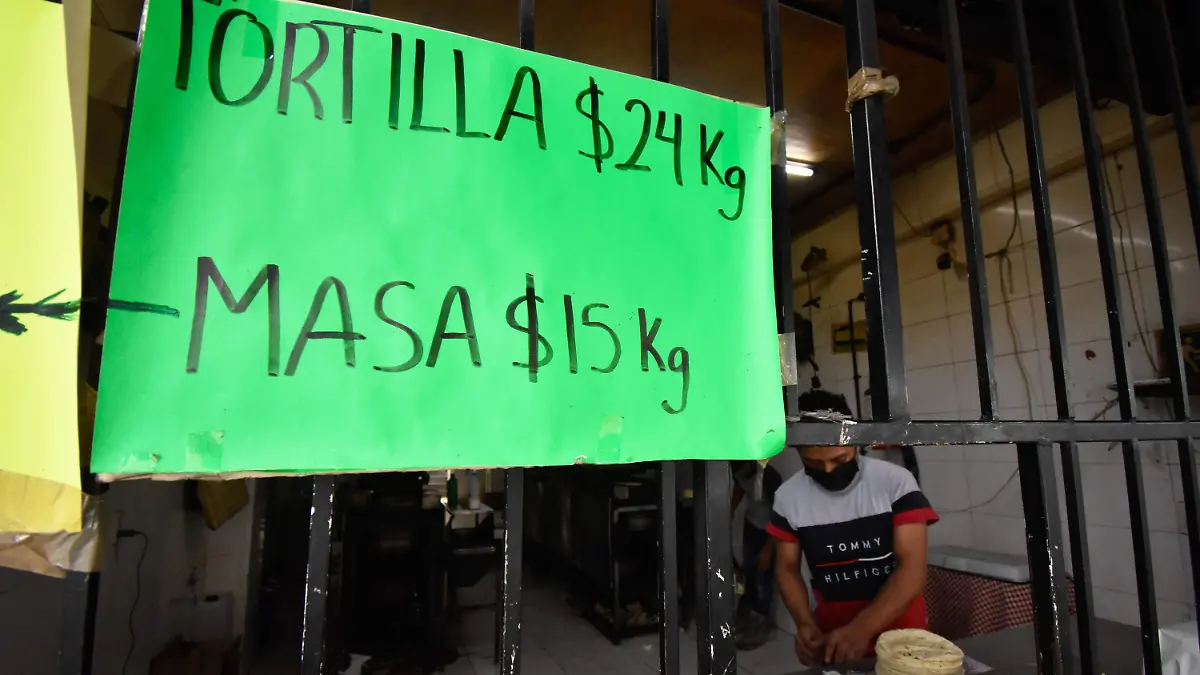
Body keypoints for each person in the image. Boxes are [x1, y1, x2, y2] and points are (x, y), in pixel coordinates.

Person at [769, 390, 937, 665]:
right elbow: (787, 568)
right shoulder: (788, 497)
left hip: (904, 636)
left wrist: (861, 629)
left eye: (839, 459)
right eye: (813, 463)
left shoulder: (895, 482)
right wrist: (804, 624)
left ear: (855, 440)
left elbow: (912, 571)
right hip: (833, 641)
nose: (828, 470)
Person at [731, 459, 783, 650]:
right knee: (749, 574)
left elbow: (780, 517)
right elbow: (740, 487)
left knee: (762, 579)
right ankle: (747, 617)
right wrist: (729, 511)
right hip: (751, 525)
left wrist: (768, 550)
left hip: (768, 533)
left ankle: (762, 624)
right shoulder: (739, 469)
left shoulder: (769, 477)